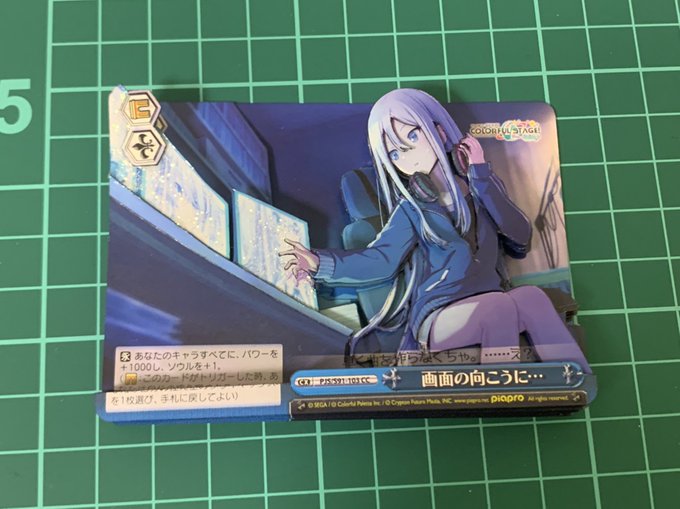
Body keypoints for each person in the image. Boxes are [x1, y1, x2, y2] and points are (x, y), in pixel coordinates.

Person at [279, 88, 591, 373]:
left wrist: (481, 178)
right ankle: (500, 389)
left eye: (412, 137)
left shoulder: (481, 189)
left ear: (439, 131)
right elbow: (380, 260)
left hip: (491, 298)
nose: (407, 157)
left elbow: (520, 236)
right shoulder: (412, 210)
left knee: (532, 297)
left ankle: (574, 377)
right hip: (438, 318)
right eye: (395, 154)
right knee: (498, 308)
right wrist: (319, 264)